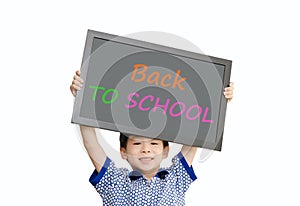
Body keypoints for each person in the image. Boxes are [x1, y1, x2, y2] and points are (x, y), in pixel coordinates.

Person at [70, 70, 234, 205]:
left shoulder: (176, 178)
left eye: (154, 143)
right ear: (123, 151)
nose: (146, 148)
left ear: (165, 151)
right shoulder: (113, 181)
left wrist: (218, 99)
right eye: (137, 143)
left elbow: (197, 135)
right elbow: (91, 143)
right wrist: (81, 98)